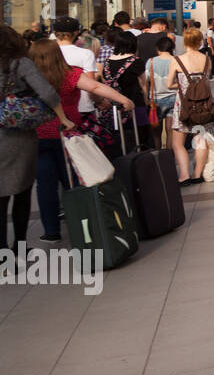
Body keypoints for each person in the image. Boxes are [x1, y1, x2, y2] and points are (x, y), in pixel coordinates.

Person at [30, 38, 133, 241]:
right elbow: (95, 87)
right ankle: (82, 222)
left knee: (45, 185)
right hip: (67, 135)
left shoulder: (29, 78)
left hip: (37, 136)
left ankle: (51, 231)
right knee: (74, 180)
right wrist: (123, 99)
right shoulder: (68, 74)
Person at [0, 27, 76, 251]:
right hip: (19, 138)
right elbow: (47, 92)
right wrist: (62, 117)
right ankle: (19, 248)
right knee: (22, 192)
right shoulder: (20, 63)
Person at [165, 27, 214, 185]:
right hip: (203, 104)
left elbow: (169, 84)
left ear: (185, 42)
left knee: (177, 143)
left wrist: (182, 86)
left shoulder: (177, 60)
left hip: (184, 105)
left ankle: (184, 175)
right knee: (200, 139)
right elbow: (205, 81)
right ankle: (197, 174)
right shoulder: (206, 59)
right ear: (200, 41)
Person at [100, 29, 152, 150]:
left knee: (119, 136)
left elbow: (105, 81)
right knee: (140, 135)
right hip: (135, 103)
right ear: (133, 44)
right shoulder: (136, 61)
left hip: (114, 106)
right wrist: (147, 101)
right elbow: (143, 84)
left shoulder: (107, 62)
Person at [147, 34, 178, 144]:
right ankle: (169, 156)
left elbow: (146, 80)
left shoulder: (151, 61)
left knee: (156, 131)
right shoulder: (176, 60)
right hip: (174, 97)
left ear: (157, 48)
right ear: (172, 48)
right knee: (170, 131)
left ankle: (158, 153)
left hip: (156, 99)